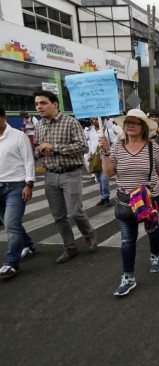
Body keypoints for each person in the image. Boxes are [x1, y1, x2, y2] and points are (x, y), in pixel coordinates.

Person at [98, 109, 159, 296]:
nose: (130, 125)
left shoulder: (154, 148)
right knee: (127, 240)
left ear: (143, 127)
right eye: (127, 122)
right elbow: (109, 173)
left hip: (149, 198)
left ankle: (156, 256)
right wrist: (104, 152)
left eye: (134, 122)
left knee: (152, 229)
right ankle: (128, 277)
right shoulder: (117, 147)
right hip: (125, 201)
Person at [33, 90, 97, 264]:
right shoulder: (39, 126)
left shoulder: (70, 122)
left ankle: (89, 234)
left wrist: (54, 147)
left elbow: (82, 147)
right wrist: (39, 150)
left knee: (75, 211)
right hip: (50, 175)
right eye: (37, 104)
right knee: (58, 215)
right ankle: (69, 247)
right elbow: (37, 149)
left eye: (43, 103)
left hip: (71, 173)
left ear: (55, 104)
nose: (39, 107)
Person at [0, 107, 36, 279]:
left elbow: (29, 162)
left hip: (15, 186)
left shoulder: (18, 136)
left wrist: (29, 184)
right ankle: (28, 244)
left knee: (11, 224)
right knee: (9, 223)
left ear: (3, 117)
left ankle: (11, 263)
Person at [85, 117, 117, 206]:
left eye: (96, 119)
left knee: (104, 178)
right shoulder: (89, 131)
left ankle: (106, 197)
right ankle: (102, 196)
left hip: (105, 157)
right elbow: (84, 140)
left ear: (102, 120)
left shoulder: (107, 131)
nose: (94, 121)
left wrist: (108, 149)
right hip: (94, 158)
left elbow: (114, 142)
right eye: (93, 119)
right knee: (98, 179)